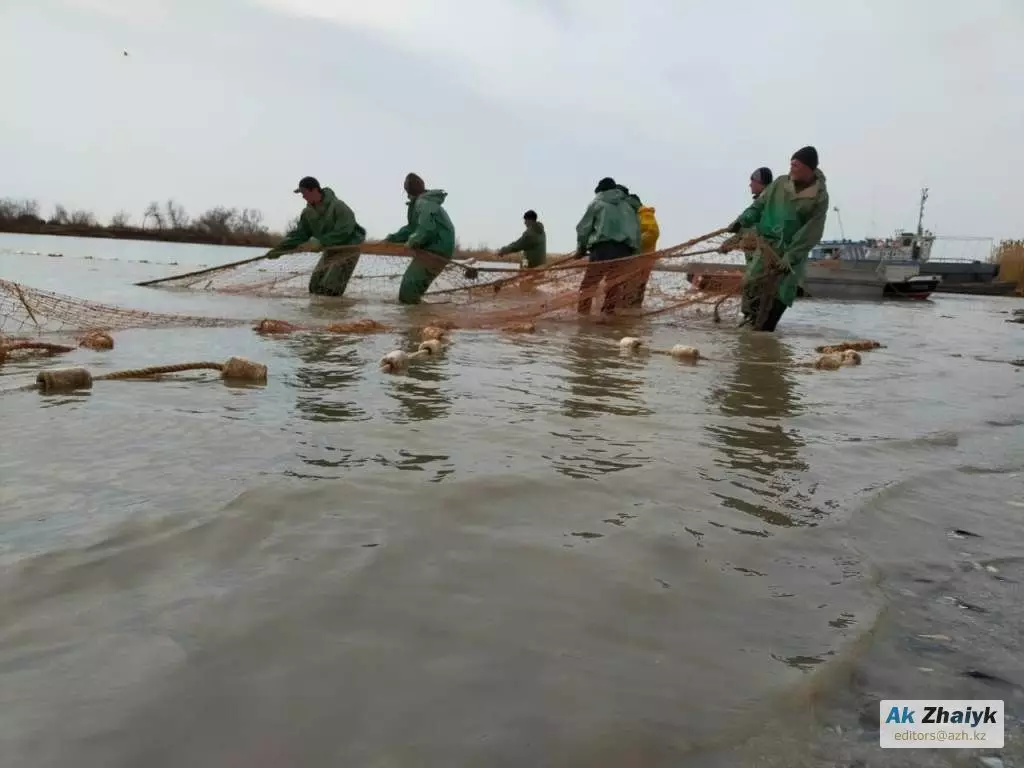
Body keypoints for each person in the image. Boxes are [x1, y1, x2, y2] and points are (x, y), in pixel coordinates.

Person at [726, 147, 828, 332]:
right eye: (791, 164)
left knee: (781, 294)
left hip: (791, 254)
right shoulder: (780, 183)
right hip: (767, 248)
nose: (792, 168)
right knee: (751, 282)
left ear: (809, 168)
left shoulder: (819, 196)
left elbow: (813, 230)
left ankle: (766, 333)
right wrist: (742, 220)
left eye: (796, 165)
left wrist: (791, 255)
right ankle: (751, 329)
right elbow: (758, 206)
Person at [264, 176, 367, 297]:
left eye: (304, 193)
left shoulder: (339, 206)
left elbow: (344, 231)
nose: (303, 197)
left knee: (329, 288)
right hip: (330, 250)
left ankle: (331, 313)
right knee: (314, 287)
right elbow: (300, 235)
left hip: (348, 249)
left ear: (314, 190)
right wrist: (280, 249)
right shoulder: (307, 213)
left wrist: (321, 241)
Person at [384, 173, 457, 304]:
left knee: (409, 289)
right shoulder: (421, 202)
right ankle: (420, 318)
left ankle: (416, 320)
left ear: (408, 191)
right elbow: (412, 229)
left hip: (436, 250)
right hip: (433, 249)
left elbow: (426, 228)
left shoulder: (423, 203)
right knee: (410, 288)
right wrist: (393, 238)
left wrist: (412, 241)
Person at [574, 177, 641, 315]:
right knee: (613, 284)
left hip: (602, 249)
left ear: (600, 191)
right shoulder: (628, 206)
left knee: (589, 284)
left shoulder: (597, 203)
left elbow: (583, 229)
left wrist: (580, 250)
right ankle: (607, 315)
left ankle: (582, 316)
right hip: (624, 250)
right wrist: (634, 253)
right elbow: (636, 232)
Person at [720, 167, 774, 323]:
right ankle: (754, 326)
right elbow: (745, 231)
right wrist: (728, 244)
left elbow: (748, 229)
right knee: (754, 288)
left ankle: (752, 321)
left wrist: (729, 243)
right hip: (756, 258)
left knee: (753, 285)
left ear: (760, 182)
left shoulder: (765, 204)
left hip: (762, 258)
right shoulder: (762, 202)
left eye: (752, 181)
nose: (750, 185)